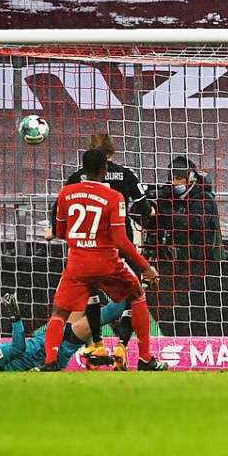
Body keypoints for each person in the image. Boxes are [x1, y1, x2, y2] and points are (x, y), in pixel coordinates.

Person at [41, 149, 165, 371]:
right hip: (107, 262)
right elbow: (121, 241)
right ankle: (145, 358)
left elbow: (60, 232)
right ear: (105, 169)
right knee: (137, 296)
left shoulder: (66, 193)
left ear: (83, 169)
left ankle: (50, 363)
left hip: (77, 264)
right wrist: (146, 268)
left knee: (59, 312)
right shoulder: (114, 197)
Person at [0, 294, 129, 372]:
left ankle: (93, 352)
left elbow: (6, 360)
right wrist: (16, 318)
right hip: (50, 350)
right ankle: (134, 295)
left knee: (79, 297)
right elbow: (18, 348)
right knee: (99, 315)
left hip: (44, 344)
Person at [144, 156, 222, 263]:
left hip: (203, 259)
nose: (175, 183)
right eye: (172, 179)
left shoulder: (203, 197)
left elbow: (194, 223)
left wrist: (161, 212)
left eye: (179, 178)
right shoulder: (172, 195)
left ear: (190, 178)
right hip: (178, 257)